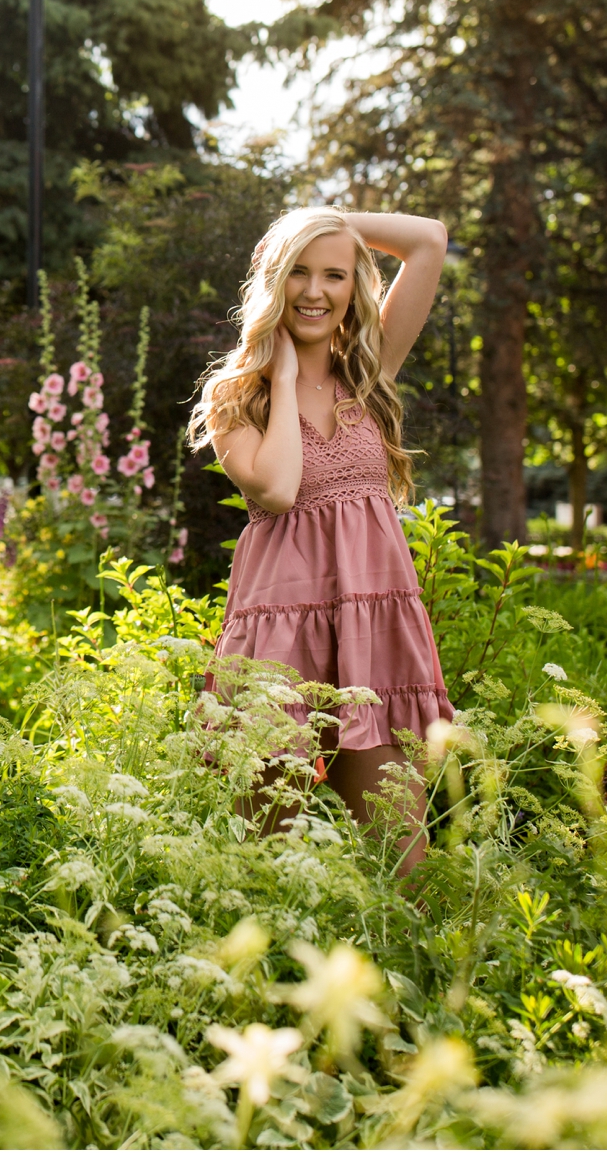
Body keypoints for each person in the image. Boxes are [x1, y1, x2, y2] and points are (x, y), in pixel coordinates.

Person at [187, 205, 454, 868]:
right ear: (274, 280)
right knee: (268, 867)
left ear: (353, 284)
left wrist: (326, 217)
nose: (314, 291)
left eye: (334, 274)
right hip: (280, 642)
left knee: (404, 862)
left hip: (371, 636)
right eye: (298, 272)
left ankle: (397, 973)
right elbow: (276, 489)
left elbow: (428, 241)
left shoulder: (368, 373)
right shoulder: (236, 396)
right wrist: (279, 378)